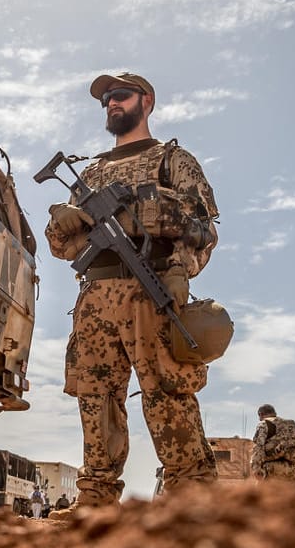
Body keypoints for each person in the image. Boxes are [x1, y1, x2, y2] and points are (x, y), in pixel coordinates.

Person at [45, 71, 220, 507]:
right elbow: (61, 246)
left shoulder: (172, 161)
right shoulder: (92, 171)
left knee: (168, 393)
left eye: (120, 96)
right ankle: (97, 501)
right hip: (96, 297)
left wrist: (180, 269)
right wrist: (65, 220)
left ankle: (191, 502)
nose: (111, 104)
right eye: (106, 99)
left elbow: (202, 230)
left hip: (151, 287)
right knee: (95, 398)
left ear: (147, 101)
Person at [249, 404, 295, 483]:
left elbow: (258, 448)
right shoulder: (291, 425)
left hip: (273, 472)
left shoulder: (265, 424)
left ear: (261, 414)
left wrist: (257, 471)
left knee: (261, 494)